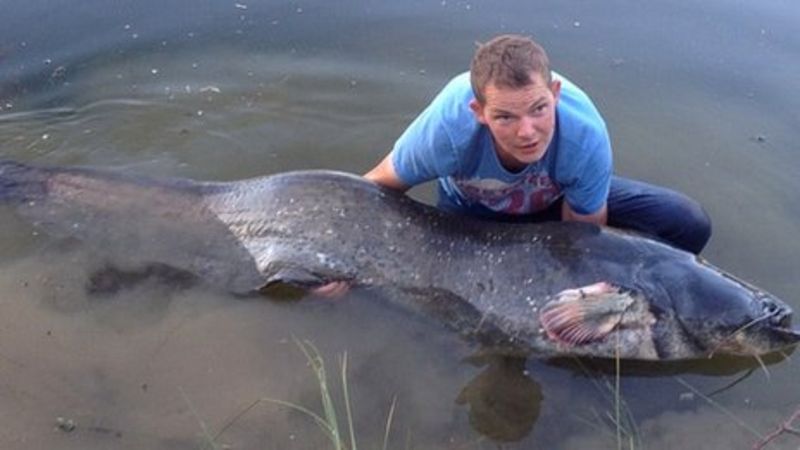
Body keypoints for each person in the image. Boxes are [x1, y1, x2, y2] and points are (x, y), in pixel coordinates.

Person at [316, 34, 711, 296]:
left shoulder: (584, 134)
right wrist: (342, 261)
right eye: (506, 117)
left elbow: (581, 240)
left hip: (552, 202)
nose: (528, 132)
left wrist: (590, 295)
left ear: (554, 94)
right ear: (479, 111)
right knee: (457, 298)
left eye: (539, 109)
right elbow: (374, 189)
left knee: (686, 222)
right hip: (472, 212)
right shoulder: (449, 127)